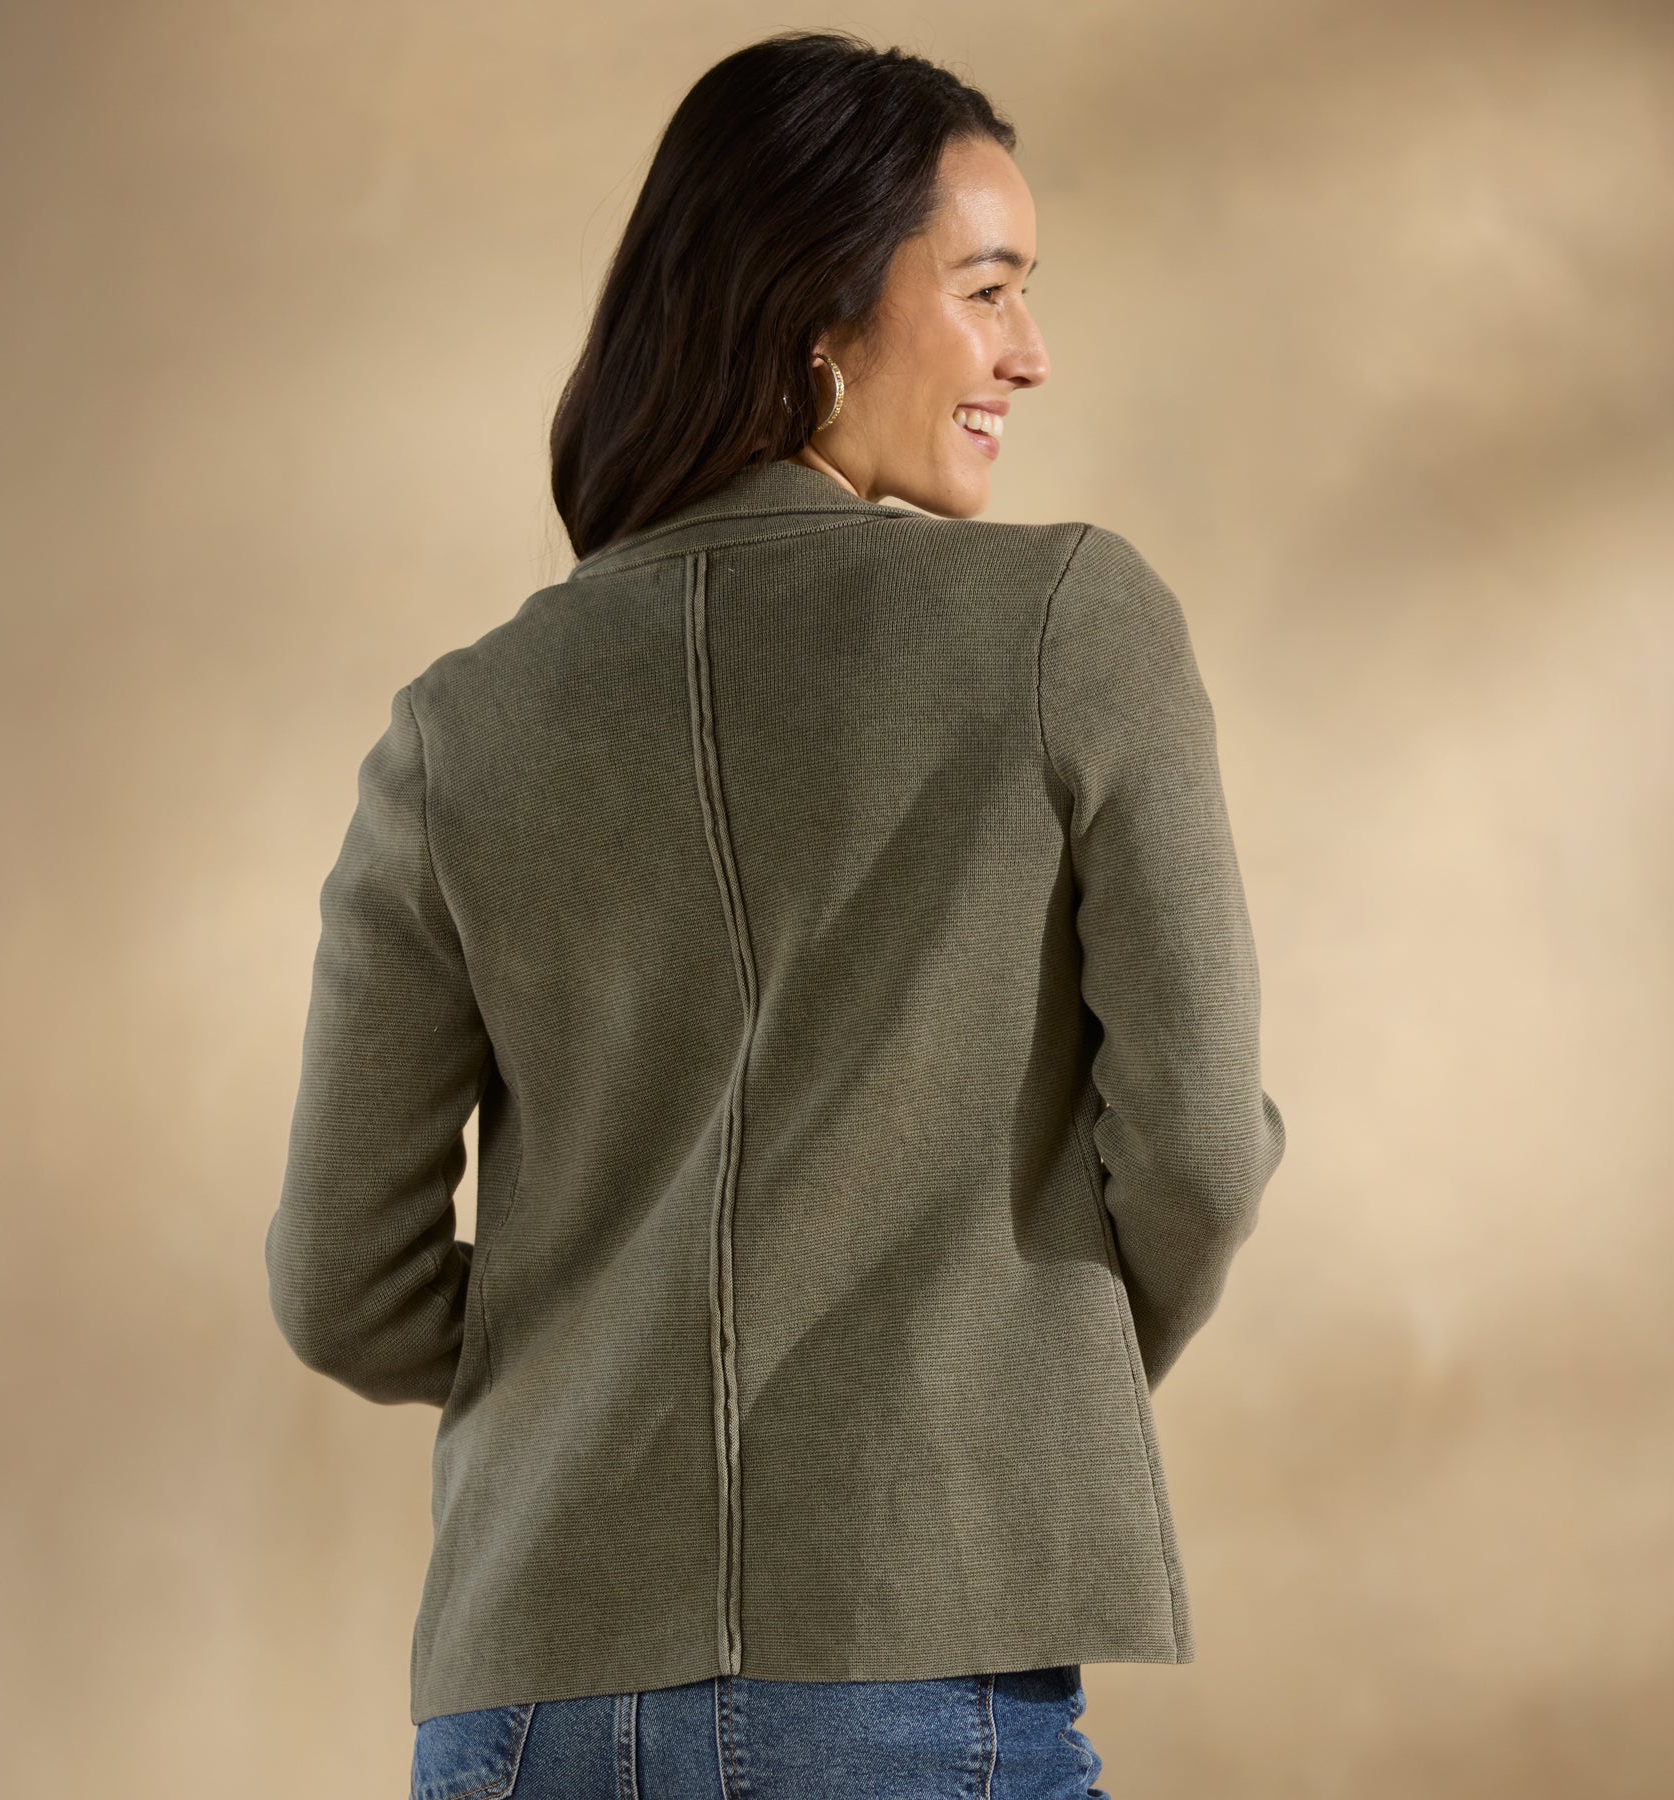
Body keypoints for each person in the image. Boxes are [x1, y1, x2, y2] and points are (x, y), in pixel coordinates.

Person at [265, 28, 1286, 1800]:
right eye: (988, 288)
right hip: (906, 1675)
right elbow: (1192, 1149)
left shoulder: (459, 727)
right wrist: (998, 1378)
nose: (1030, 351)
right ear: (820, 308)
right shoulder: (1070, 625)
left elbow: (341, 1288)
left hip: (526, 1709)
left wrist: (600, 1361)